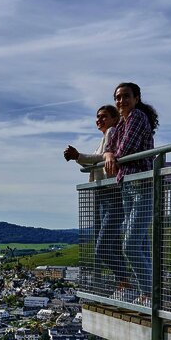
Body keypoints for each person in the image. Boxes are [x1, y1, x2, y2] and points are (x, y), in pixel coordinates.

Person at [103, 82, 159, 305]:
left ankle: (151, 294)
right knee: (140, 244)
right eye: (117, 97)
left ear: (136, 98)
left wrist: (112, 156)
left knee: (130, 244)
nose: (120, 101)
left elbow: (125, 150)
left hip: (141, 184)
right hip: (128, 186)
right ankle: (148, 293)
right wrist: (109, 154)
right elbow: (112, 148)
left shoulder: (136, 117)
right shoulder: (122, 123)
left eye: (125, 96)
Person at [64, 105, 128, 291]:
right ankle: (124, 285)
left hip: (111, 194)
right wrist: (81, 158)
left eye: (103, 116)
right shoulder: (106, 135)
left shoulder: (112, 131)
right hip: (106, 194)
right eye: (97, 117)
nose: (99, 120)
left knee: (103, 247)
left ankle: (125, 283)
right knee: (113, 245)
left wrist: (78, 156)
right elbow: (98, 158)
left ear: (115, 118)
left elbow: (101, 158)